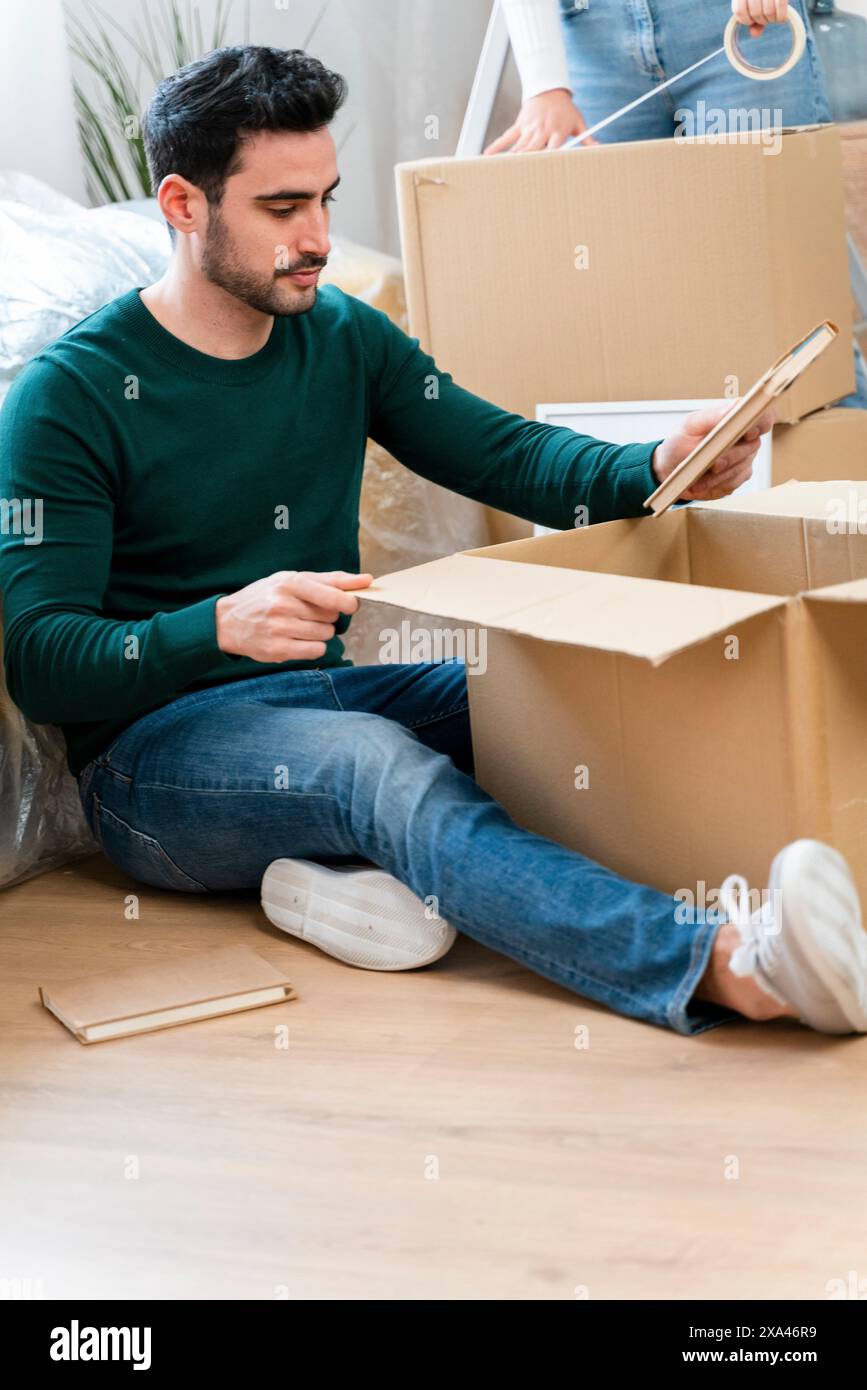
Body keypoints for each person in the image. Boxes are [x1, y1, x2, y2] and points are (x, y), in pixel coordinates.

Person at [1, 46, 865, 1039]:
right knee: (372, 767)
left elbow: (505, 454)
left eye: (324, 198)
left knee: (551, 687)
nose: (319, 236)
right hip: (152, 764)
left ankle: (776, 889)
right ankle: (733, 966)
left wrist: (656, 466)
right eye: (283, 210)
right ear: (184, 205)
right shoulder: (67, 397)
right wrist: (219, 626)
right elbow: (43, 662)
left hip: (320, 699)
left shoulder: (341, 339)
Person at [490, 0, 867, 410]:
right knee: (617, 294)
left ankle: (839, 458)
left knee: (777, 289)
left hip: (738, 22)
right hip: (590, 40)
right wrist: (544, 82)